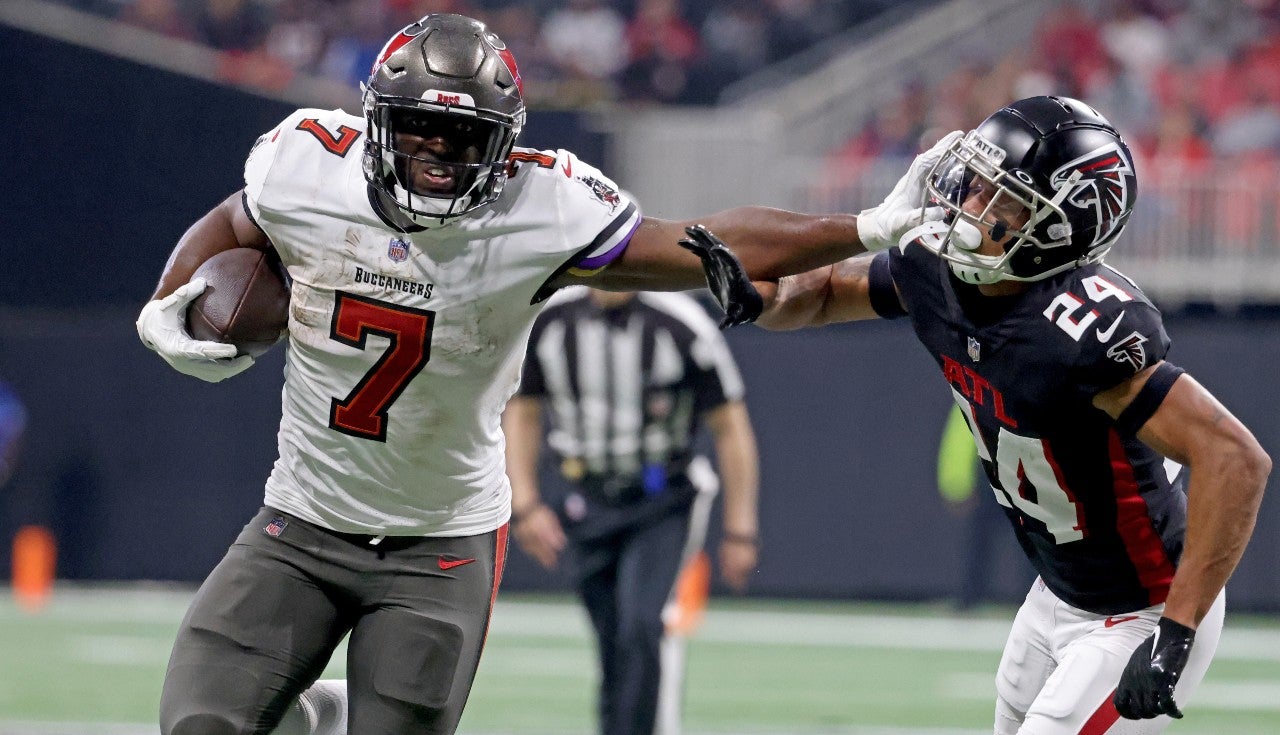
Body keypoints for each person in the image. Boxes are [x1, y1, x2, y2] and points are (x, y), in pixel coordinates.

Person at [134, 13, 923, 735]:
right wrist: (169, 301)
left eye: (464, 138)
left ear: (505, 144)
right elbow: (236, 221)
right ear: (376, 120)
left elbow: (704, 242)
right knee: (200, 725)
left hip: (437, 542)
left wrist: (862, 226)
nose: (439, 156)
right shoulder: (305, 164)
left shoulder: (540, 206)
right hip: (301, 519)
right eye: (418, 130)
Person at [709, 96, 1271, 733]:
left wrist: (1176, 631)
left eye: (1002, 201)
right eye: (975, 184)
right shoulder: (936, 269)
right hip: (1057, 591)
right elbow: (822, 295)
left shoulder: (1081, 328)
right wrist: (763, 298)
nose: (969, 209)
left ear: (1060, 230)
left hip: (1143, 605)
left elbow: (1237, 459)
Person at [504, 286, 759, 735]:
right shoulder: (551, 321)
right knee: (612, 640)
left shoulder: (680, 322)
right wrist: (525, 504)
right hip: (585, 497)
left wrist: (740, 529)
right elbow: (523, 410)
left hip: (662, 499)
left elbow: (729, 423)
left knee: (642, 625)